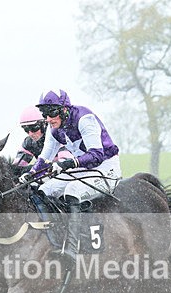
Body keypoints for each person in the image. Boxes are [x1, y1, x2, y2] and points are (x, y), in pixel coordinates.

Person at [22, 89, 122, 271]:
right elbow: (44, 158)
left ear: (64, 109)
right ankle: (54, 239)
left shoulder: (85, 118)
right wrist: (30, 175)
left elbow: (97, 155)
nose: (48, 119)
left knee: (72, 191)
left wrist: (69, 163)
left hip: (106, 169)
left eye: (52, 112)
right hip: (82, 170)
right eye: (44, 114)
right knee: (42, 191)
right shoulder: (54, 130)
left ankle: (72, 250)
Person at [12, 106, 48, 172]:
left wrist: (34, 168)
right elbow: (17, 167)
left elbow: (63, 161)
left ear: (44, 124)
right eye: (26, 129)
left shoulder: (58, 136)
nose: (30, 134)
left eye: (33, 128)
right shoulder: (29, 142)